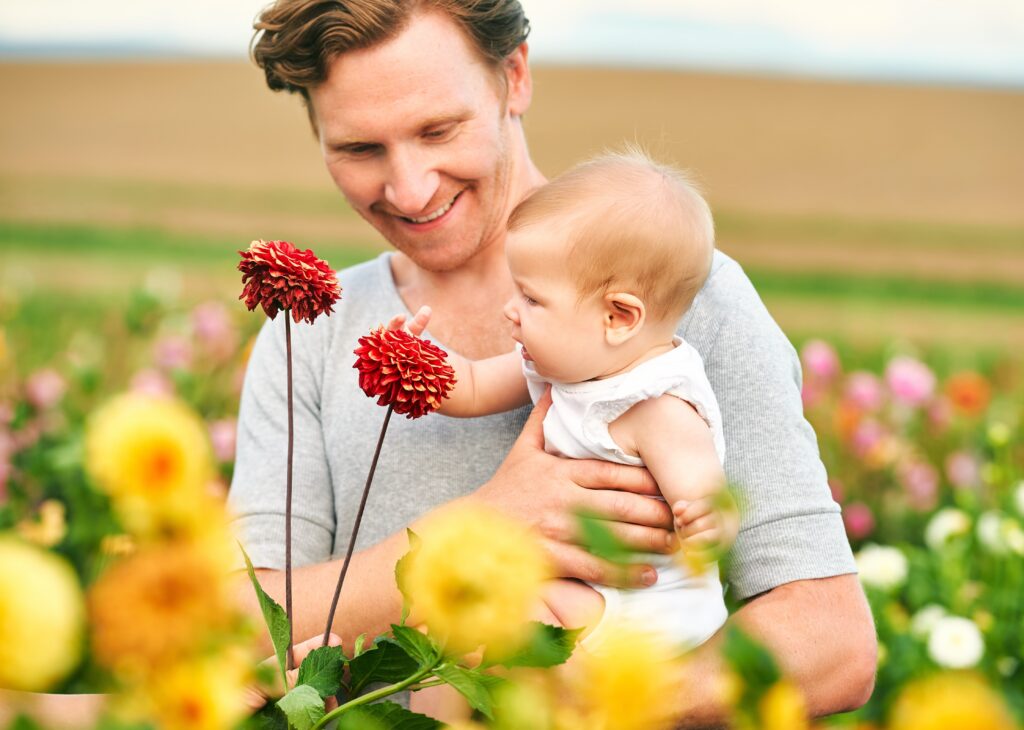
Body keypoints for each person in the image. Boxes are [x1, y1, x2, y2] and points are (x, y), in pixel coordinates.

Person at [229, 0, 877, 723]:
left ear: (516, 77)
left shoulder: (676, 293)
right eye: (359, 150)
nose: (409, 188)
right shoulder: (312, 332)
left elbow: (831, 642)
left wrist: (586, 704)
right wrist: (483, 525)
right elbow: (236, 629)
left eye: (438, 129)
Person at [394, 151, 735, 720]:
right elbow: (473, 386)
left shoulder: (655, 404)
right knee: (453, 617)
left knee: (479, 618)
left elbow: (704, 488)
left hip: (645, 613)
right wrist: (418, 361)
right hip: (593, 595)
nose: (511, 310)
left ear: (618, 317)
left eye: (531, 298)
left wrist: (706, 519)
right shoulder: (564, 364)